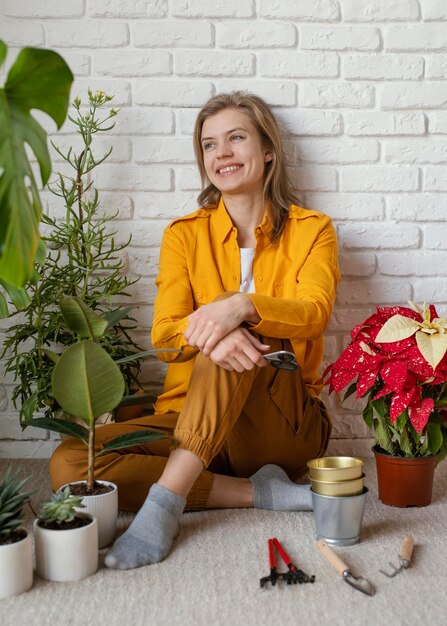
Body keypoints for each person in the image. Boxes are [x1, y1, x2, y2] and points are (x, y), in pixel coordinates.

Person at [49, 91, 340, 570]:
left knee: (230, 328)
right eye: (209, 145)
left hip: (282, 424)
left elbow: (313, 313)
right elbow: (164, 339)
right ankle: (255, 493)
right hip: (194, 421)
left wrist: (238, 307)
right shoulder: (183, 234)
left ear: (268, 149)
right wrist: (217, 325)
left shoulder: (314, 230)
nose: (221, 153)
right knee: (70, 463)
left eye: (236, 138)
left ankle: (164, 505)